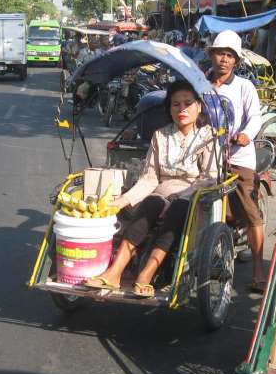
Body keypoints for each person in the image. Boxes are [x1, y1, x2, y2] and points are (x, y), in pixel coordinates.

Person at [85, 80, 219, 297]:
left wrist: (178, 198)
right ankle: (115, 272)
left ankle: (145, 275)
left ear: (199, 106)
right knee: (150, 204)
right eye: (176, 104)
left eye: (188, 103)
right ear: (169, 108)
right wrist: (123, 200)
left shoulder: (209, 136)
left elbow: (209, 177)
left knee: (177, 210)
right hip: (161, 191)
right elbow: (149, 178)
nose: (182, 109)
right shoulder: (161, 135)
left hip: (192, 196)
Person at [206, 30, 266, 292]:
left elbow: (255, 118)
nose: (224, 59)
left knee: (251, 214)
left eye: (230, 56)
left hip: (238, 157)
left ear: (236, 61)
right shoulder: (201, 84)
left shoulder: (244, 86)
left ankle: (258, 270)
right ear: (212, 55)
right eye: (220, 53)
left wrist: (245, 135)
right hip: (206, 157)